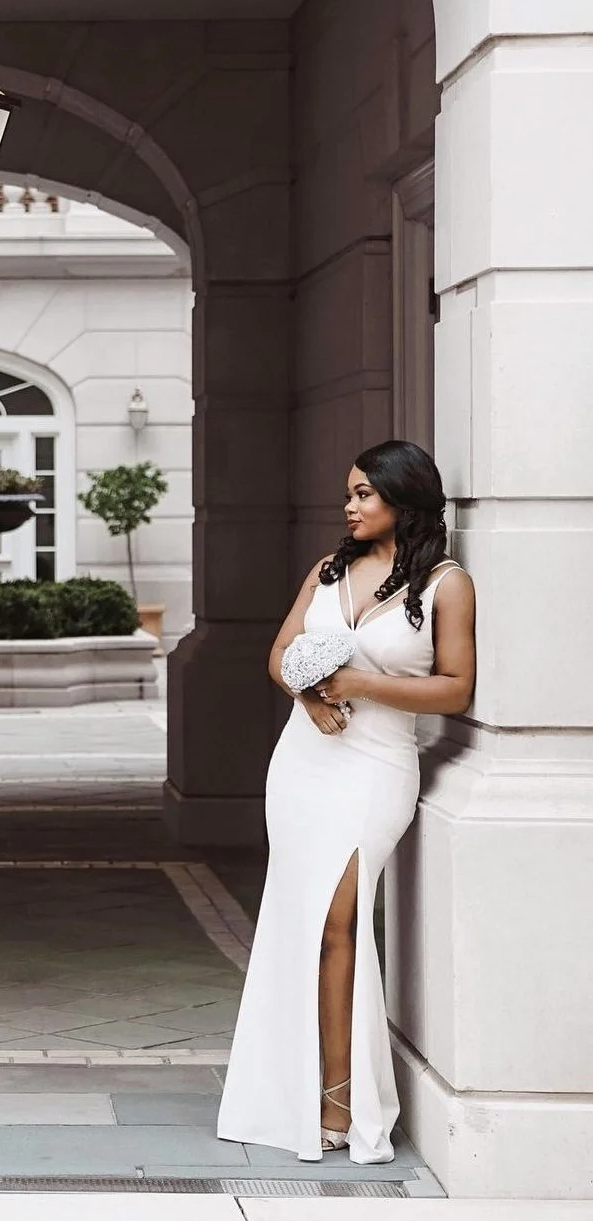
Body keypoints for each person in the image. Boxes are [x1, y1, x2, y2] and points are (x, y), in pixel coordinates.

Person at [217, 439, 475, 1164]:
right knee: (301, 924)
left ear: (403, 496)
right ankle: (294, 1093)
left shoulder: (445, 584)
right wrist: (307, 694)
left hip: (376, 767)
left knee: (341, 922)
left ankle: (343, 1099)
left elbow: (455, 687)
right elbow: (279, 654)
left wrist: (358, 685)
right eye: (348, 494)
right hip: (303, 761)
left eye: (364, 493)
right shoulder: (329, 569)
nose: (350, 506)